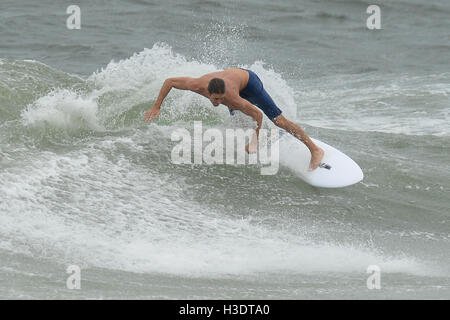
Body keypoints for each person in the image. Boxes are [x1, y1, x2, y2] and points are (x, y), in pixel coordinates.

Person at [144, 68, 324, 170]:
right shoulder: (196, 85)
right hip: (233, 85)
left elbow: (258, 114)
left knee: (278, 120)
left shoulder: (232, 98)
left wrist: (255, 140)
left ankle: (315, 150)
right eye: (216, 99)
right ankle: (267, 134)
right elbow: (170, 82)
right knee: (239, 124)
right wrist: (157, 106)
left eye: (221, 99)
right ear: (208, 92)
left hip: (249, 83)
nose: (219, 102)